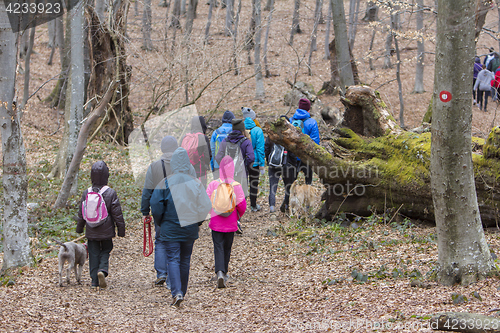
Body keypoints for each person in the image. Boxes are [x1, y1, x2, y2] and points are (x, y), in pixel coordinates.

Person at [150, 147, 212, 307]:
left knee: (173, 258)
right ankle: (181, 292)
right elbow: (205, 206)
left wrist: (160, 221)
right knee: (185, 260)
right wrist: (197, 222)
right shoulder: (196, 183)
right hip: (189, 228)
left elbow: (156, 206)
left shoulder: (165, 182)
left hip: (170, 228)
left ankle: (176, 292)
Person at [76, 161, 126, 289]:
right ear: (106, 175)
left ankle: (94, 281)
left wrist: (80, 227)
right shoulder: (110, 193)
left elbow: (82, 213)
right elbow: (117, 214)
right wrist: (121, 229)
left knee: (93, 253)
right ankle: (102, 270)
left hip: (91, 230)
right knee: (106, 249)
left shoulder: (86, 192)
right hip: (106, 231)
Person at [141, 136, 178, 288]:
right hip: (178, 208)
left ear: (162, 149)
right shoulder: (181, 165)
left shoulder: (154, 166)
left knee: (161, 240)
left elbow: (147, 190)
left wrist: (145, 211)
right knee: (176, 241)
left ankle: (161, 273)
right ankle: (173, 273)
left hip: (159, 209)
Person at [206, 155, 247, 288]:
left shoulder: (213, 184)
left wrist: (211, 213)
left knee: (218, 246)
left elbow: (206, 201)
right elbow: (242, 205)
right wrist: (237, 216)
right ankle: (225, 272)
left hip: (216, 222)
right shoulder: (236, 186)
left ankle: (219, 272)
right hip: (230, 223)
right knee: (227, 247)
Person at [265, 116, 299, 213]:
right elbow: (292, 152)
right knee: (288, 187)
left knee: (272, 187)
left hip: (273, 165)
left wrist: (269, 161)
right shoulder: (289, 136)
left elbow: (267, 149)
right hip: (287, 165)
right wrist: (294, 165)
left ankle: (272, 208)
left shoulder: (271, 135)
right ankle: (286, 206)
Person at [215, 118, 255, 196]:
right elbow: (251, 158)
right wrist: (246, 167)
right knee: (241, 197)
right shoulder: (246, 142)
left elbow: (218, 157)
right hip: (241, 174)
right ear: (243, 130)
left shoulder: (225, 141)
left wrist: (224, 167)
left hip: (226, 175)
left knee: (228, 196)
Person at [289, 98, 320, 185]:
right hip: (306, 156)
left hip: (293, 156)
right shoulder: (312, 122)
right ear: (309, 110)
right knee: (308, 181)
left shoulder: (291, 121)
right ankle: (307, 196)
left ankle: (290, 197)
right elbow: (315, 142)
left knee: (292, 182)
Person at [243, 109, 265, 212]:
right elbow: (260, 149)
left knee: (242, 184)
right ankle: (253, 205)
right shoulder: (258, 130)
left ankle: (241, 206)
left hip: (243, 161)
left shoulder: (241, 129)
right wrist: (262, 164)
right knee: (253, 184)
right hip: (255, 162)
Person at [181, 115, 212, 188]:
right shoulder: (203, 137)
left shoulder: (185, 137)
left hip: (186, 170)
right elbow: (207, 156)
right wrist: (207, 165)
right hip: (200, 170)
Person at [210, 111, 234, 178]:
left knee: (218, 187)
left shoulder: (216, 132)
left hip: (218, 165)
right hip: (232, 166)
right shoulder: (235, 132)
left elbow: (212, 150)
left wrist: (213, 166)